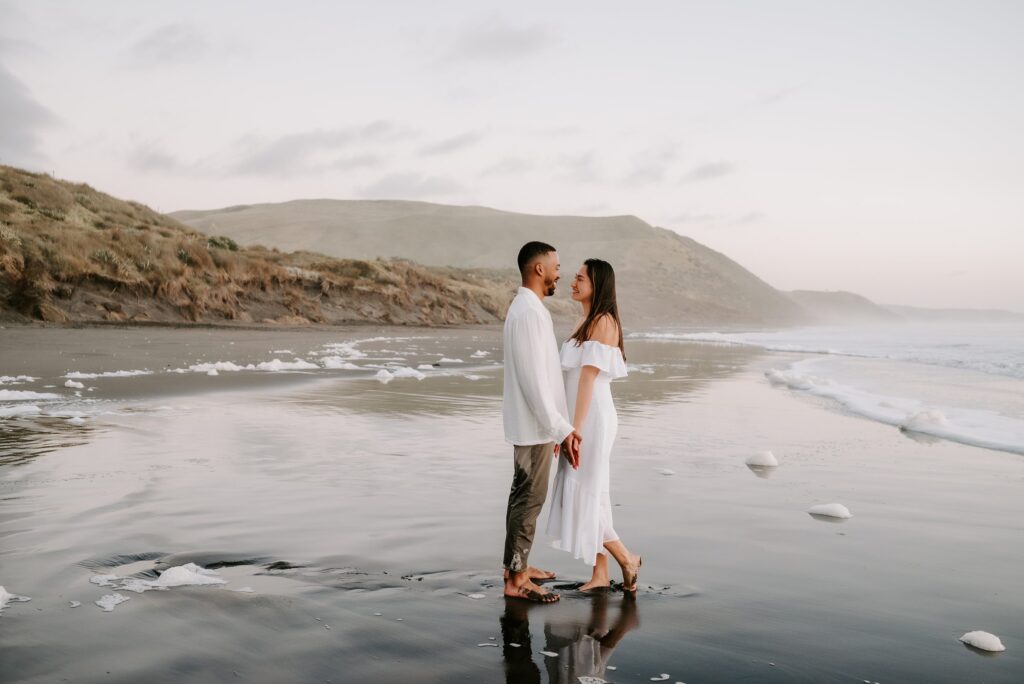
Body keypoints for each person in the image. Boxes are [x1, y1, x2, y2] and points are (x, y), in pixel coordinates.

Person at [546, 258, 642, 592]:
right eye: (573, 277)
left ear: (597, 284)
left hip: (593, 418)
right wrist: (562, 426)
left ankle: (627, 558)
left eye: (580, 278)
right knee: (594, 496)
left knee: (585, 491)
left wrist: (575, 429)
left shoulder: (602, 322)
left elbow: (587, 379)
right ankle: (600, 574)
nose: (572, 282)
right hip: (579, 417)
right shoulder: (586, 321)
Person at [502, 241, 583, 603]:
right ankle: (516, 581)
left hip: (536, 424)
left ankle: (518, 567)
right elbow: (535, 382)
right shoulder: (528, 313)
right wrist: (560, 428)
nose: (559, 273)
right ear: (538, 269)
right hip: (534, 424)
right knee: (529, 499)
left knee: (525, 498)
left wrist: (556, 425)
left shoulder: (529, 309)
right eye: (556, 266)